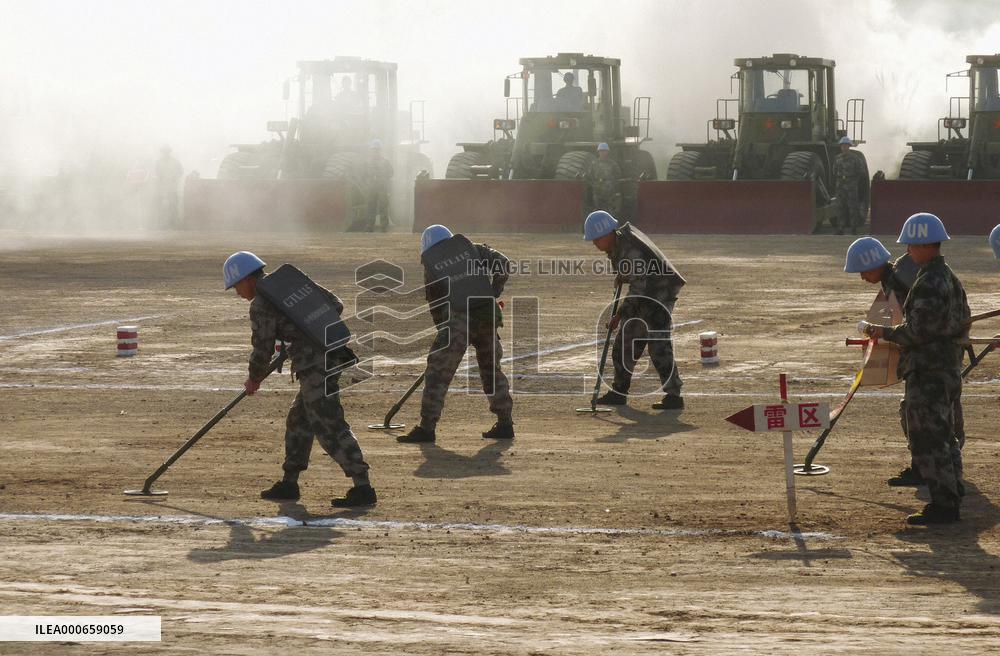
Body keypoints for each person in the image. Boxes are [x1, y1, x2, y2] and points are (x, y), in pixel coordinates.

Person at [223, 251, 376, 507]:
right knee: (298, 421)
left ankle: (363, 487)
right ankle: (289, 483)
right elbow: (336, 305)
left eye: (237, 286)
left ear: (248, 279)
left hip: (316, 365)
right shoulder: (290, 283)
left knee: (328, 423)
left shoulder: (261, 304)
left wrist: (254, 378)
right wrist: (301, 328)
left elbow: (262, 347)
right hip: (330, 355)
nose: (238, 293)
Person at [860, 213, 970, 525]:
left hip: (928, 370)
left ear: (923, 245)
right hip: (946, 366)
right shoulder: (949, 277)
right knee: (945, 435)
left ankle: (944, 506)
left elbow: (917, 331)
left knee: (929, 438)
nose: (907, 250)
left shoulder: (927, 282)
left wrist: (881, 332)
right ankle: (952, 491)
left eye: (910, 244)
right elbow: (962, 319)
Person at [844, 237, 966, 489]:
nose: (862, 277)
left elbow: (917, 326)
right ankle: (923, 469)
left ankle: (941, 480)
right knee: (916, 413)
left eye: (862, 271)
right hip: (937, 353)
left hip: (932, 358)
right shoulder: (903, 274)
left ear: (873, 264)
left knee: (930, 418)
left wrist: (882, 333)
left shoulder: (902, 281)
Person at [397, 225, 514, 443]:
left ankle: (427, 428)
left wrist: (444, 334)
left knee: (437, 373)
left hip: (457, 320)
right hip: (487, 315)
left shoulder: (433, 263)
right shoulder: (472, 249)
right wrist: (492, 293)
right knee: (491, 371)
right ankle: (505, 423)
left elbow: (435, 302)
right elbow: (503, 263)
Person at [585, 210, 686, 410]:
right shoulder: (618, 246)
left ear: (607, 234)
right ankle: (619, 391)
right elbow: (636, 279)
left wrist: (620, 313)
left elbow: (639, 287)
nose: (594, 244)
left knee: (658, 346)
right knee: (625, 342)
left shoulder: (630, 251)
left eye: (596, 239)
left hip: (659, 295)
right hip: (646, 294)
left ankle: (674, 396)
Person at [832, 136, 866, 235]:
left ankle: (853, 228)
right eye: (842, 146)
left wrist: (854, 181)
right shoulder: (837, 158)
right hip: (840, 185)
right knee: (840, 207)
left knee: (852, 207)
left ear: (849, 146)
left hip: (851, 185)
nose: (844, 147)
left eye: (846, 146)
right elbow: (834, 171)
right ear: (841, 147)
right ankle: (840, 228)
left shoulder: (855, 159)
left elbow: (861, 172)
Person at [360, 139, 393, 232]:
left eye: (377, 150)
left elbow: (391, 173)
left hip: (382, 187)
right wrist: (366, 184)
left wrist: (383, 177)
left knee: (383, 206)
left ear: (380, 151)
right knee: (371, 207)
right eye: (374, 150)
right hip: (371, 188)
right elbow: (363, 175)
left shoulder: (385, 162)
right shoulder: (366, 162)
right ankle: (369, 226)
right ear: (371, 151)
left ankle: (384, 227)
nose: (375, 152)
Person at [587, 143, 622, 216]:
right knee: (598, 210)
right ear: (598, 152)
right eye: (601, 151)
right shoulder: (594, 163)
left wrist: (613, 186)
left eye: (604, 151)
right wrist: (594, 185)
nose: (603, 153)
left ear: (608, 152)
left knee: (610, 211)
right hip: (597, 191)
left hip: (610, 192)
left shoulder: (613, 164)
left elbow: (618, 175)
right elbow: (590, 176)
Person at [154, 146, 183, 225]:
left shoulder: (175, 162)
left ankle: (173, 222)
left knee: (173, 204)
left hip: (172, 186)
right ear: (162, 152)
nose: (165, 153)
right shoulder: (159, 162)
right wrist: (161, 179)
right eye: (164, 151)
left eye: (167, 151)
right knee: (160, 205)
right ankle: (161, 223)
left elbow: (180, 171)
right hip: (162, 187)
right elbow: (157, 173)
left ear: (169, 152)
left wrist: (175, 178)